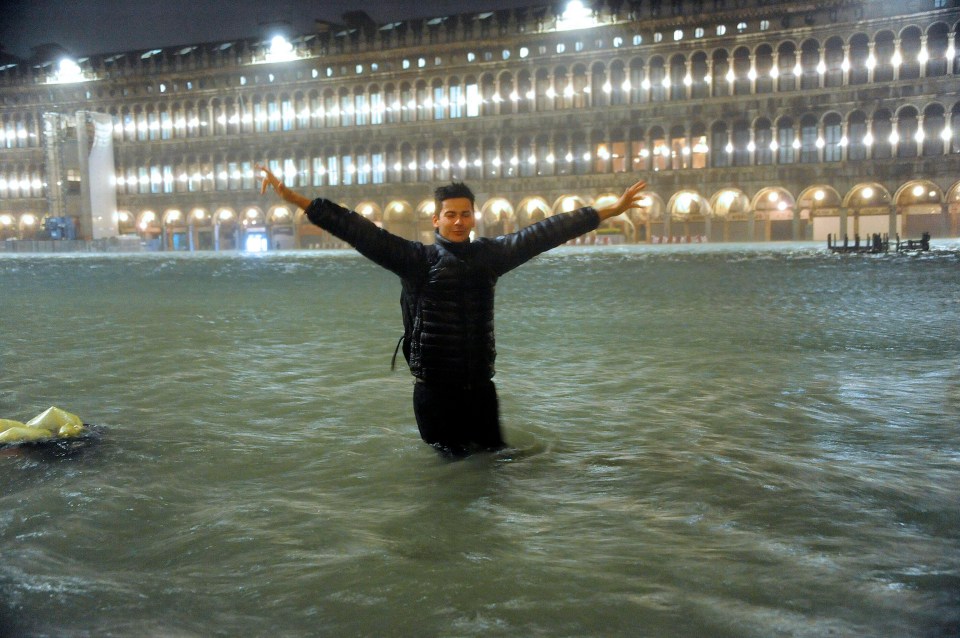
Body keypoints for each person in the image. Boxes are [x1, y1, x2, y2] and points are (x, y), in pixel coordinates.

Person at [257, 163, 646, 456]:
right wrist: (296, 199)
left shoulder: (490, 257)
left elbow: (545, 232)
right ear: (437, 219)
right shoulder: (415, 260)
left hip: (480, 390)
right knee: (449, 477)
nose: (459, 221)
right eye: (451, 214)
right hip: (435, 394)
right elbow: (357, 229)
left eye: (465, 214)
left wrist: (607, 211)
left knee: (493, 469)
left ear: (474, 217)